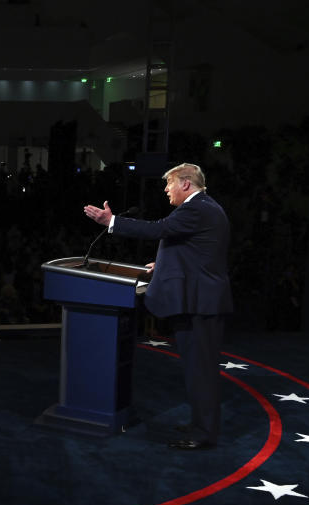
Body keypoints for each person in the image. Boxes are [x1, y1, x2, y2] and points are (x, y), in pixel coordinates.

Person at [83, 162, 232, 450]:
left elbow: (160, 229)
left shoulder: (197, 208)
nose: (166, 189)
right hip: (198, 300)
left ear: (185, 184)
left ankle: (204, 433)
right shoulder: (205, 207)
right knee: (196, 370)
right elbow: (196, 252)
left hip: (201, 303)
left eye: (169, 184)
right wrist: (162, 264)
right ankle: (200, 424)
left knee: (201, 371)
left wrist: (111, 222)